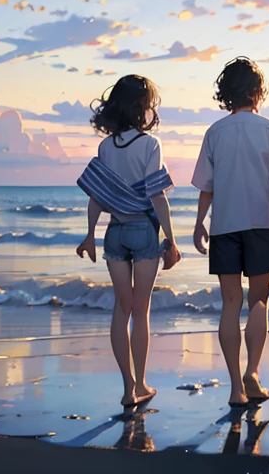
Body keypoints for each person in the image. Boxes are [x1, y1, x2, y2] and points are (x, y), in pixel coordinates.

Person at [192, 56, 269, 407]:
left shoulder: (215, 132)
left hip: (224, 226)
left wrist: (198, 224)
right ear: (257, 92)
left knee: (230, 304)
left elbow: (206, 187)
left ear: (226, 93)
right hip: (260, 224)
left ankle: (236, 388)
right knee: (259, 301)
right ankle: (253, 372)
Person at [75, 74, 182, 408]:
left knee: (121, 310)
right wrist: (171, 239)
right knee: (141, 310)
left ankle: (128, 389)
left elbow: (97, 195)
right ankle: (142, 382)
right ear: (142, 107)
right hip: (143, 230)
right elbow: (157, 196)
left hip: (115, 232)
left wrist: (90, 235)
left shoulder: (106, 147)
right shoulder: (151, 145)